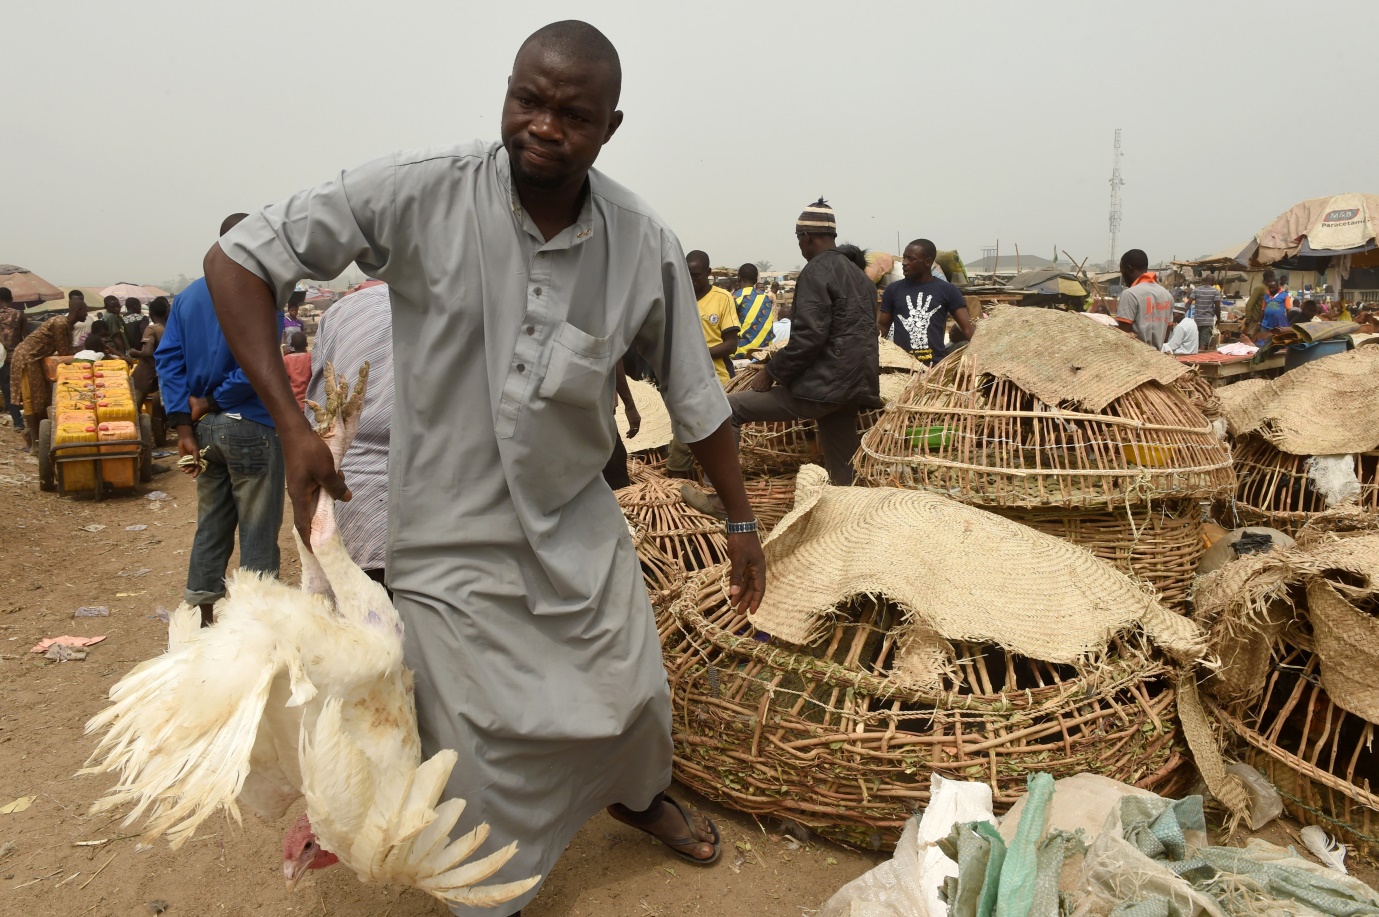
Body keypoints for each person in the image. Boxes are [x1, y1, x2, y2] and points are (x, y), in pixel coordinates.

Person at [200, 21, 764, 917]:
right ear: (507, 90)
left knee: (629, 687)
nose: (542, 125)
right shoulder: (420, 190)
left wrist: (740, 520)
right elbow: (238, 257)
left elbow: (696, 397)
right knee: (477, 735)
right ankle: (489, 889)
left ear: (609, 128)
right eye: (527, 100)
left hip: (574, 521)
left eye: (571, 114)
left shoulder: (641, 240)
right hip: (447, 528)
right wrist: (291, 419)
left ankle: (633, 792)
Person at [157, 213, 287, 629]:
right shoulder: (262, 294)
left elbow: (169, 360)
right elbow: (258, 366)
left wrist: (183, 424)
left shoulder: (188, 297)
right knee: (258, 528)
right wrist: (215, 397)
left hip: (205, 430)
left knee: (211, 524)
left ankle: (203, 617)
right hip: (251, 423)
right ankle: (257, 624)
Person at [725, 198, 879, 486]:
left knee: (727, 410)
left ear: (806, 238)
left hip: (823, 387)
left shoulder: (816, 271)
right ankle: (848, 514)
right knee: (843, 471)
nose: (799, 245)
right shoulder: (861, 277)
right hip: (854, 386)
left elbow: (810, 336)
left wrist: (771, 373)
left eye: (799, 239)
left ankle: (723, 498)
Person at [305, 283, 393, 582]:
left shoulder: (342, 311)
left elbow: (319, 404)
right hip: (442, 499)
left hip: (350, 488)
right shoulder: (467, 299)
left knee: (362, 615)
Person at [665, 250, 738, 479]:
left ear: (708, 273)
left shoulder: (722, 298)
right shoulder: (677, 298)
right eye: (687, 275)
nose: (691, 280)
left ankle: (715, 491)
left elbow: (731, 345)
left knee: (714, 436)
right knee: (683, 438)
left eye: (696, 275)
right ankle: (682, 489)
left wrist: (697, 354)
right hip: (685, 380)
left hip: (717, 380)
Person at [878, 238, 976, 366]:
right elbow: (882, 328)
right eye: (904, 258)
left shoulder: (948, 290)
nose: (904, 263)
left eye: (911, 259)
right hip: (901, 367)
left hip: (934, 368)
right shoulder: (893, 290)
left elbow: (968, 328)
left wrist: (986, 355)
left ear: (928, 261)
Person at [9, 294, 87, 449]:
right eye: (85, 310)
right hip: (27, 357)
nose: (86, 314)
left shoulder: (66, 324)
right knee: (31, 399)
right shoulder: (60, 323)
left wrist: (85, 349)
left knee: (42, 398)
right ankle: (35, 442)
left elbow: (67, 349)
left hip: (36, 358)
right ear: (78, 309)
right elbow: (64, 352)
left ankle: (34, 435)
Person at [1114, 249, 1173, 349]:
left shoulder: (1130, 294)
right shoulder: (1167, 295)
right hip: (1158, 359)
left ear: (1129, 269)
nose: (1123, 279)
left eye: (1123, 273)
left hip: (1134, 358)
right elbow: (1166, 338)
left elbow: (1123, 336)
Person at [127, 296, 168, 417]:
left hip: (146, 371)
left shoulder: (151, 329)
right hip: (160, 371)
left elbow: (148, 352)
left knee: (134, 406)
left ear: (150, 313)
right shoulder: (167, 329)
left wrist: (135, 352)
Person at [0, 287, 27, 433]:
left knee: (6, 391)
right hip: (16, 358)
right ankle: (22, 420)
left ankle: (18, 422)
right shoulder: (20, 315)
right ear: (11, 300)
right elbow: (26, 339)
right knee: (19, 390)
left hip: (1, 360)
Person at [732, 263, 774, 356]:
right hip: (765, 351)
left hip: (742, 351)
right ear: (755, 280)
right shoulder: (766, 297)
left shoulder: (736, 297)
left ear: (739, 278)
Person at [1239, 269, 1275, 344]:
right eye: (1273, 277)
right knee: (1249, 340)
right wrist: (1248, 318)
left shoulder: (1268, 289)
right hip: (1254, 320)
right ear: (1269, 278)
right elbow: (1250, 303)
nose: (1274, 280)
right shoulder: (1260, 288)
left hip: (1263, 321)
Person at [1189, 276, 1222, 352]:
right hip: (1208, 321)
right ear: (1213, 282)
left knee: (1195, 341)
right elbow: (1217, 307)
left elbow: (1188, 303)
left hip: (1197, 320)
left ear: (1203, 281)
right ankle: (1199, 359)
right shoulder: (1215, 291)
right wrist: (1218, 319)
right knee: (1203, 343)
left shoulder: (1196, 290)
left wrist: (1183, 315)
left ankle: (1194, 357)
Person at [282, 330, 311, 409]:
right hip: (309, 403)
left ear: (291, 344)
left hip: (292, 403)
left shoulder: (286, 359)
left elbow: (284, 381)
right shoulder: (310, 358)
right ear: (306, 344)